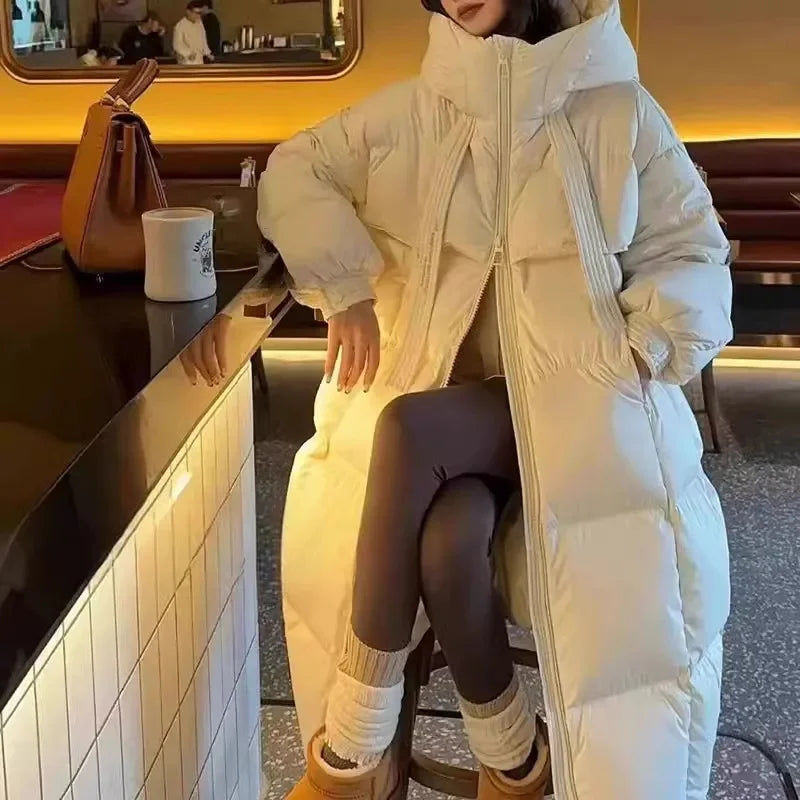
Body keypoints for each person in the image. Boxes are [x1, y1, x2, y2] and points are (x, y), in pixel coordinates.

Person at [258, 1, 733, 799]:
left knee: (406, 429)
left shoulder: (619, 111)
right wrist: (344, 289)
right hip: (461, 425)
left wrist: (642, 347)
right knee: (451, 539)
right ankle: (515, 762)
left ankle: (349, 752)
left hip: (579, 411)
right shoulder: (416, 112)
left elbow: (692, 250)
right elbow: (296, 169)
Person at [172, 0, 212, 65]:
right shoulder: (180, 26)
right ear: (188, 12)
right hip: (186, 63)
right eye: (196, 13)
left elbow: (203, 39)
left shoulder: (199, 23)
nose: (198, 16)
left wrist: (207, 53)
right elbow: (177, 46)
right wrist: (188, 54)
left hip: (200, 62)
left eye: (200, 13)